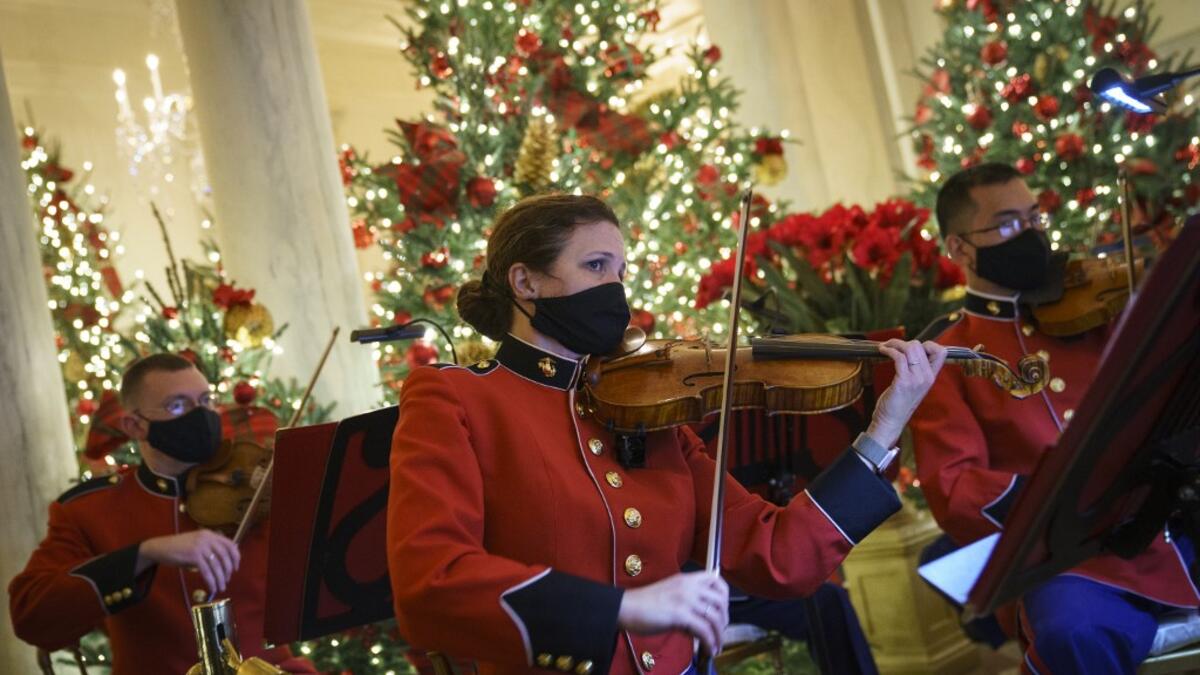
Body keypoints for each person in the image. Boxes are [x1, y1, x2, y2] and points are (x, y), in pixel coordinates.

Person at [387, 193, 948, 674]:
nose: (616, 289)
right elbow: (429, 581)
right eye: (597, 266)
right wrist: (619, 609)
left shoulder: (645, 410)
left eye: (621, 272)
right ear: (525, 281)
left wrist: (885, 426)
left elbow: (779, 554)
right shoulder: (456, 399)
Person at [909, 163, 1198, 674]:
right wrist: (1057, 499)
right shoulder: (946, 356)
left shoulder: (1093, 318)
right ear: (958, 249)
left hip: (1161, 533)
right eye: (1007, 225)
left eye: (1035, 219)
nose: (1031, 235)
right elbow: (954, 486)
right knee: (1071, 634)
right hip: (1060, 560)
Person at [9, 353, 313, 674]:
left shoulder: (257, 488)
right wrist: (146, 553)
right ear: (134, 425)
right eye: (178, 406)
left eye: (207, 400)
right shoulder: (89, 511)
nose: (202, 415)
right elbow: (31, 616)